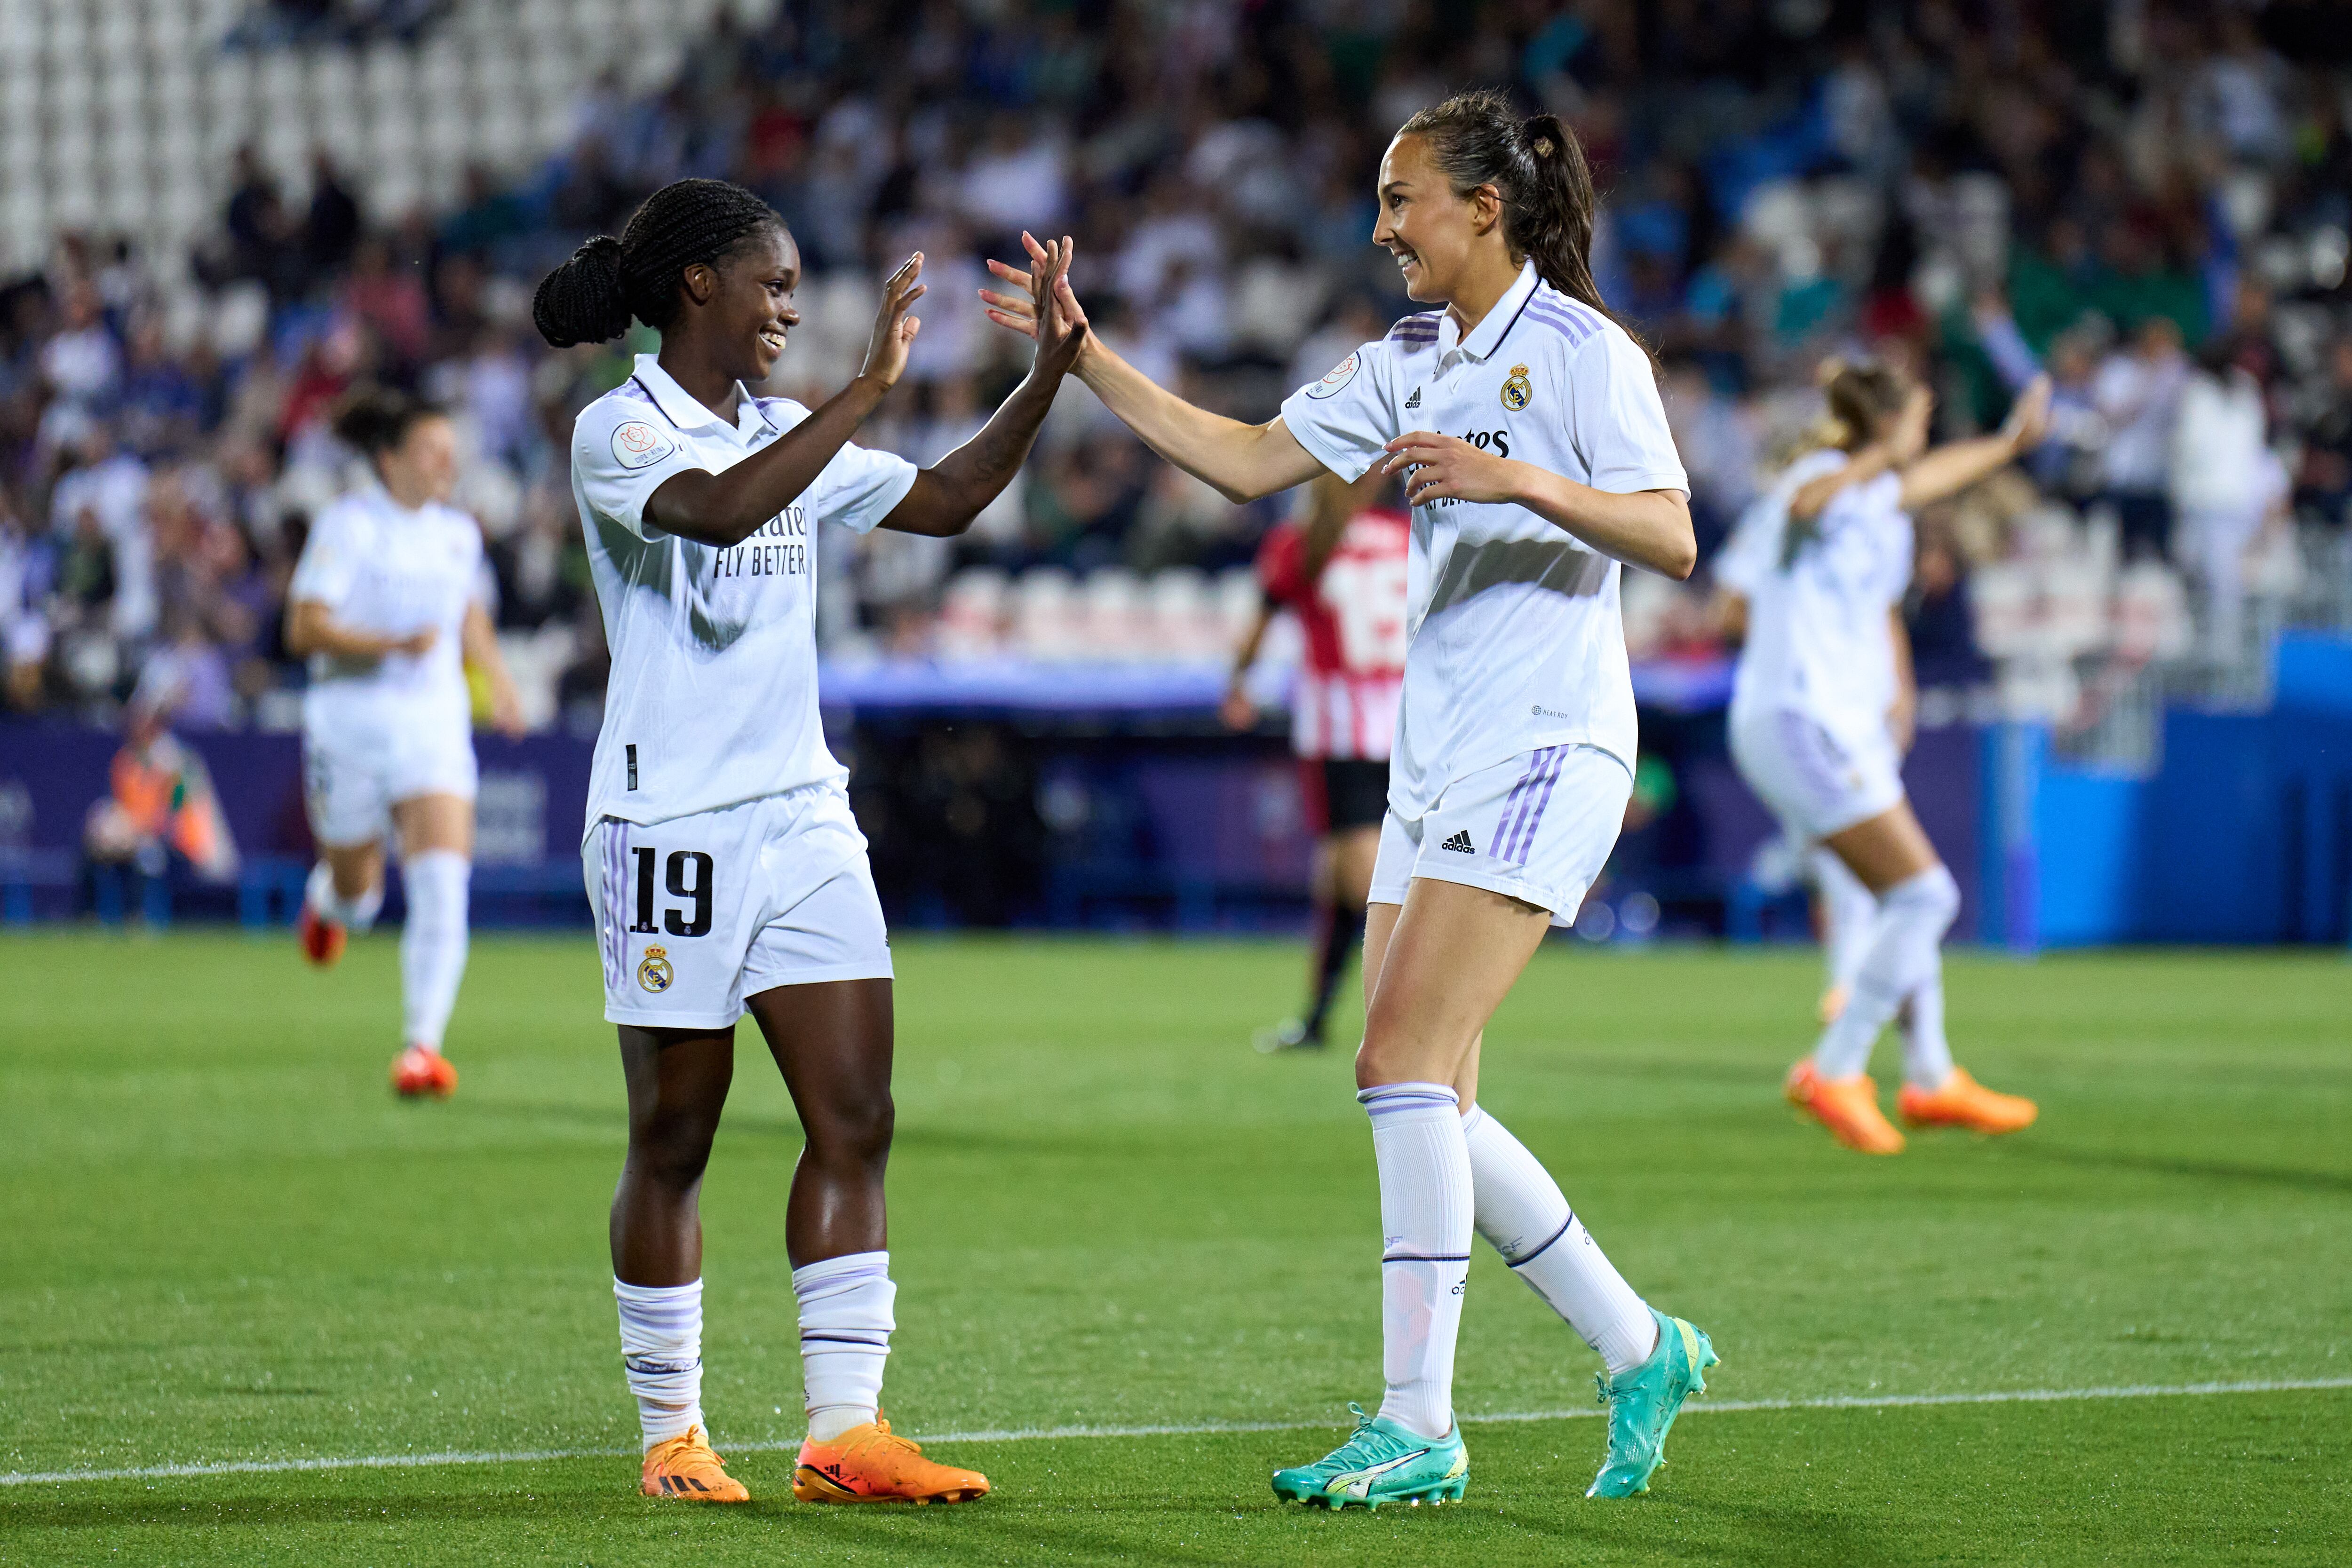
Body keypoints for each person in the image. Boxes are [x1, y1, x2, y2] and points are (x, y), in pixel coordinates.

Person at [986, 90, 1716, 1508]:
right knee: (1427, 1092)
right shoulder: (1407, 359)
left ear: (1483, 209)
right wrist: (1087, 362)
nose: (1381, 227)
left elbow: (1671, 532)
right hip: (1432, 758)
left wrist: (1514, 478)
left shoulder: (1584, 353)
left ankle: (1417, 1422)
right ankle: (1641, 1347)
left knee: (1397, 1064)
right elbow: (1245, 460)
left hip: (1544, 745)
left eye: (1400, 199)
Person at [532, 178, 1082, 1507]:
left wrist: (1045, 380)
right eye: (774, 284)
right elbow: (717, 510)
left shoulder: (789, 429)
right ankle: (673, 1431)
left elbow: (949, 498)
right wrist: (868, 390)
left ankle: (845, 1431)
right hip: (669, 823)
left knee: (856, 1115)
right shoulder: (619, 428)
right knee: (676, 1134)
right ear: (697, 286)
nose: (792, 307)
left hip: (802, 813)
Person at [1727, 362, 2048, 1155]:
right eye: (1919, 416)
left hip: (1840, 723)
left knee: (1910, 897)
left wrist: (2008, 443)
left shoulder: (1882, 502)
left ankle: (1931, 1075)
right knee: (1923, 895)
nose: (1926, 431)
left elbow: (1934, 477)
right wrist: (1876, 452)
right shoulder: (1823, 474)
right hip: (1794, 716)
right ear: (1887, 423)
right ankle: (1836, 1069)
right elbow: (1805, 503)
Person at [287, 388, 524, 1099]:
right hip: (349, 721)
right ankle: (328, 903)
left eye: (451, 452)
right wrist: (389, 644)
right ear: (389, 459)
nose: (447, 464)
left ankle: (423, 1047)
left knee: (443, 884)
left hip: (433, 724)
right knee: (359, 894)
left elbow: (467, 612)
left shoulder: (457, 535)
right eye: (431, 451)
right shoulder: (350, 525)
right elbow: (303, 629)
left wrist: (499, 678)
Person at [1711, 368, 1914, 1028]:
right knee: (1879, 872)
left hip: (1860, 707)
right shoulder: (1798, 496)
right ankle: (1852, 1005)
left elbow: (1882, 608)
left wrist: (1900, 687)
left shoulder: (1888, 510)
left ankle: (1868, 1008)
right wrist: (1797, 636)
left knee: (1880, 873)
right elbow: (1729, 607)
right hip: (1805, 705)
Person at [1223, 467, 1408, 1053]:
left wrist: (1238, 684)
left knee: (1363, 876)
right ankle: (1317, 1018)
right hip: (1410, 722)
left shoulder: (1301, 543)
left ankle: (1413, 1016)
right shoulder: (1405, 535)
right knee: (1334, 876)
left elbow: (1259, 624)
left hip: (1342, 728)